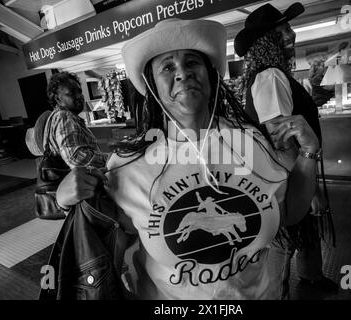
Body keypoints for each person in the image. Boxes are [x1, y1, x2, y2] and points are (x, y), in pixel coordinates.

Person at [56, 18, 321, 300]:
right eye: (168, 67)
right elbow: (109, 252)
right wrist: (69, 203)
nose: (182, 73)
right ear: (153, 86)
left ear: (210, 74)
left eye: (192, 62)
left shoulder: (251, 141)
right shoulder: (129, 166)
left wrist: (308, 153)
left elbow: (290, 213)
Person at [234, 3, 337, 299]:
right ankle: (276, 294)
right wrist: (311, 188)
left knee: (303, 231)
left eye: (289, 28)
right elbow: (282, 139)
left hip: (287, 173)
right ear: (268, 41)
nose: (292, 34)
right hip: (285, 177)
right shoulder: (270, 77)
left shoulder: (272, 75)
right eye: (283, 30)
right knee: (284, 240)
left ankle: (311, 276)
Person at [45, 71, 107, 169]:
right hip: (84, 181)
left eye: (80, 91)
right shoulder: (64, 116)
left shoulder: (64, 116)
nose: (79, 96)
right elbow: (75, 157)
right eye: (71, 93)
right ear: (58, 99)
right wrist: (108, 159)